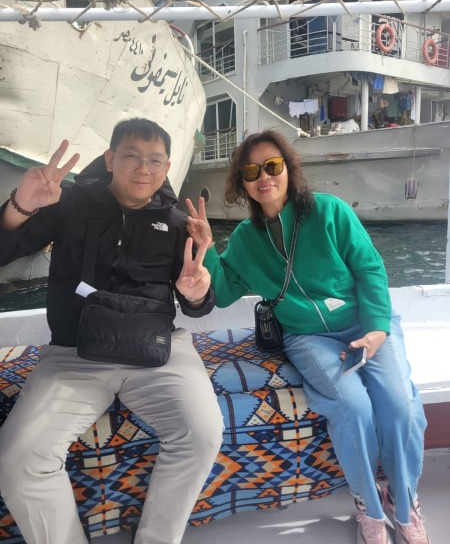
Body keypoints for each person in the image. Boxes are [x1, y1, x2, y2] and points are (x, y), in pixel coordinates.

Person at [186, 129, 430, 544]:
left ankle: (404, 503)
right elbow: (222, 292)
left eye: (272, 165)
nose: (264, 177)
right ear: (242, 182)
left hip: (365, 321)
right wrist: (206, 248)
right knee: (352, 407)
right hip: (308, 336)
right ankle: (368, 505)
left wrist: (376, 329)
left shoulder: (329, 211)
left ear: (289, 168)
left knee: (400, 406)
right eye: (251, 171)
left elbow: (370, 269)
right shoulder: (245, 238)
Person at [0, 117, 224, 544]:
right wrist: (21, 206)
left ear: (167, 167)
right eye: (131, 157)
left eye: (155, 161)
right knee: (18, 458)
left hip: (158, 351)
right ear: (110, 159)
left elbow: (198, 305)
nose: (143, 169)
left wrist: (197, 293)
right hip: (74, 354)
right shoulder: (67, 203)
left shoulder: (179, 224)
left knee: (202, 432)